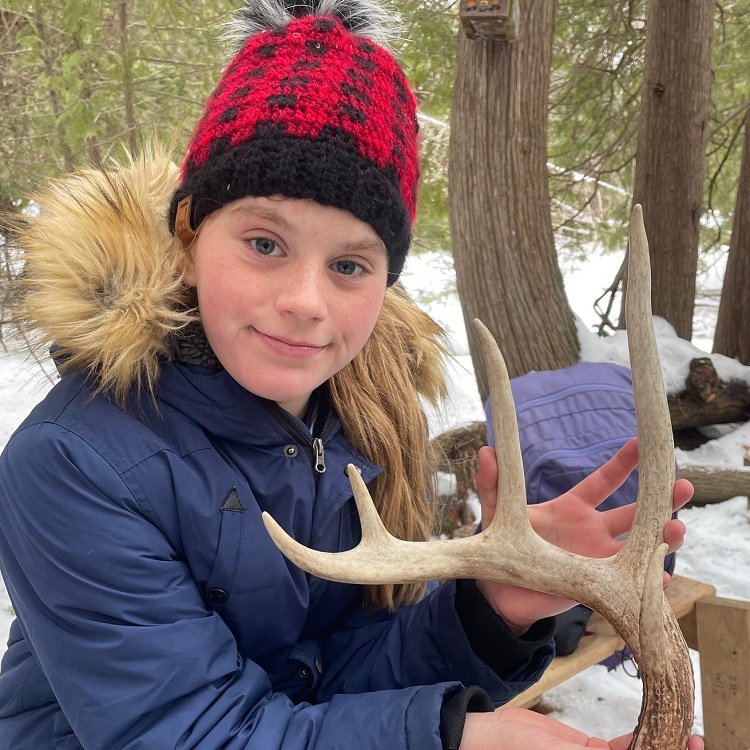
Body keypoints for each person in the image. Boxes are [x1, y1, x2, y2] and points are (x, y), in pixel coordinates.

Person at [0, 1, 700, 748]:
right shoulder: (74, 464)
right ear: (186, 240)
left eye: (348, 264)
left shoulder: (354, 422)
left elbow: (328, 681)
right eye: (265, 243)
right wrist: (459, 739)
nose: (304, 302)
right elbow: (187, 733)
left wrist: (488, 609)